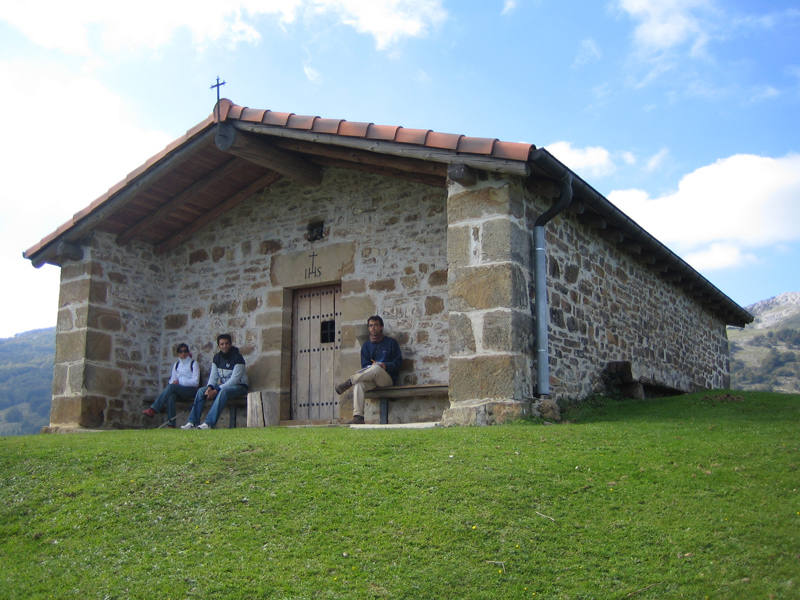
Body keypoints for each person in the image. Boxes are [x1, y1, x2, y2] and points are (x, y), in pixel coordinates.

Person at [335, 315, 401, 424]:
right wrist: (371, 367)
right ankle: (358, 417)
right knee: (359, 384)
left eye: (376, 325)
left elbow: (398, 363)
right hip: (372, 380)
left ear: (381, 327)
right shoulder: (366, 346)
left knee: (376, 367)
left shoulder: (391, 343)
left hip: (387, 380)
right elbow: (364, 366)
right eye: (370, 326)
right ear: (368, 328)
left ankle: (349, 381)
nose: (373, 328)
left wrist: (385, 365)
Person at [181, 334, 248, 430]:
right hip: (223, 386)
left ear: (230, 344)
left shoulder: (238, 358)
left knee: (223, 392)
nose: (224, 346)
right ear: (219, 346)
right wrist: (209, 388)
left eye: (226, 343)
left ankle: (209, 423)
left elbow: (234, 381)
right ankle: (192, 422)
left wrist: (216, 390)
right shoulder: (217, 358)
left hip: (239, 386)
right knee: (201, 391)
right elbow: (213, 376)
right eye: (222, 344)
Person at [142, 343, 200, 427]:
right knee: (171, 396)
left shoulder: (194, 364)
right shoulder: (176, 365)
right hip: (178, 390)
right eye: (181, 352)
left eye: (185, 351)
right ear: (178, 354)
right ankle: (171, 424)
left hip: (191, 390)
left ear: (188, 352)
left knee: (172, 387)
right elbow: (172, 379)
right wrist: (174, 383)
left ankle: (154, 409)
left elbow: (195, 382)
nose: (183, 353)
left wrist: (180, 382)